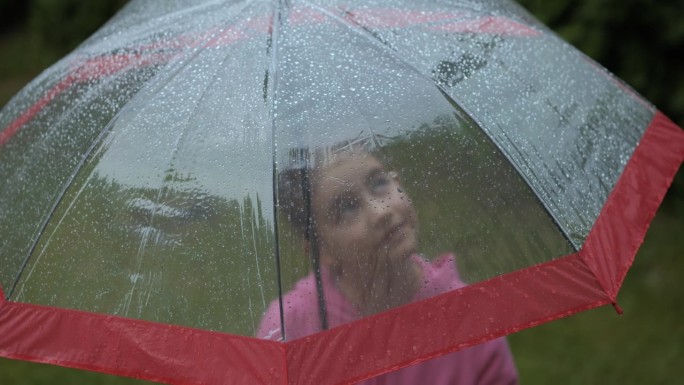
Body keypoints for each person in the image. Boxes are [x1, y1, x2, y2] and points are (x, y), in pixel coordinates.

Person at [257, 141, 518, 384]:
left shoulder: (469, 317)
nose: (380, 211)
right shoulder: (290, 327)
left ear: (399, 184)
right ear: (320, 250)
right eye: (347, 208)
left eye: (379, 183)